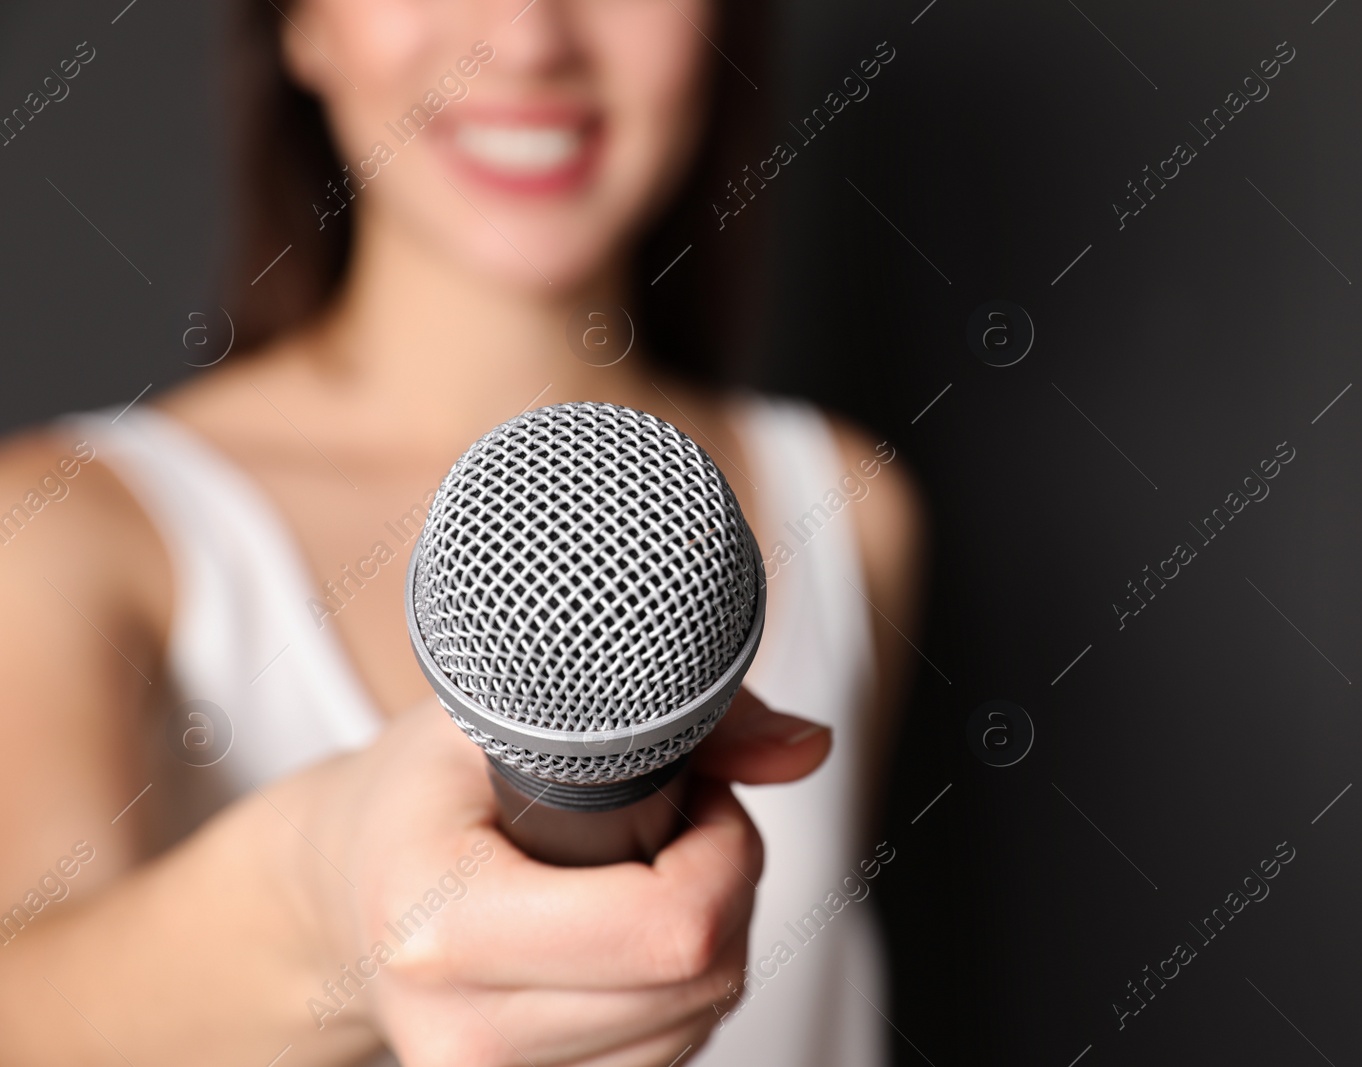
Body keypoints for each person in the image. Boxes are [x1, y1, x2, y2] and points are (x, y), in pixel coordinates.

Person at [0, 0, 923, 1064]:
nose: (531, 39)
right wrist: (324, 903)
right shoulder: (67, 525)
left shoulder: (849, 507)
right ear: (298, 25)